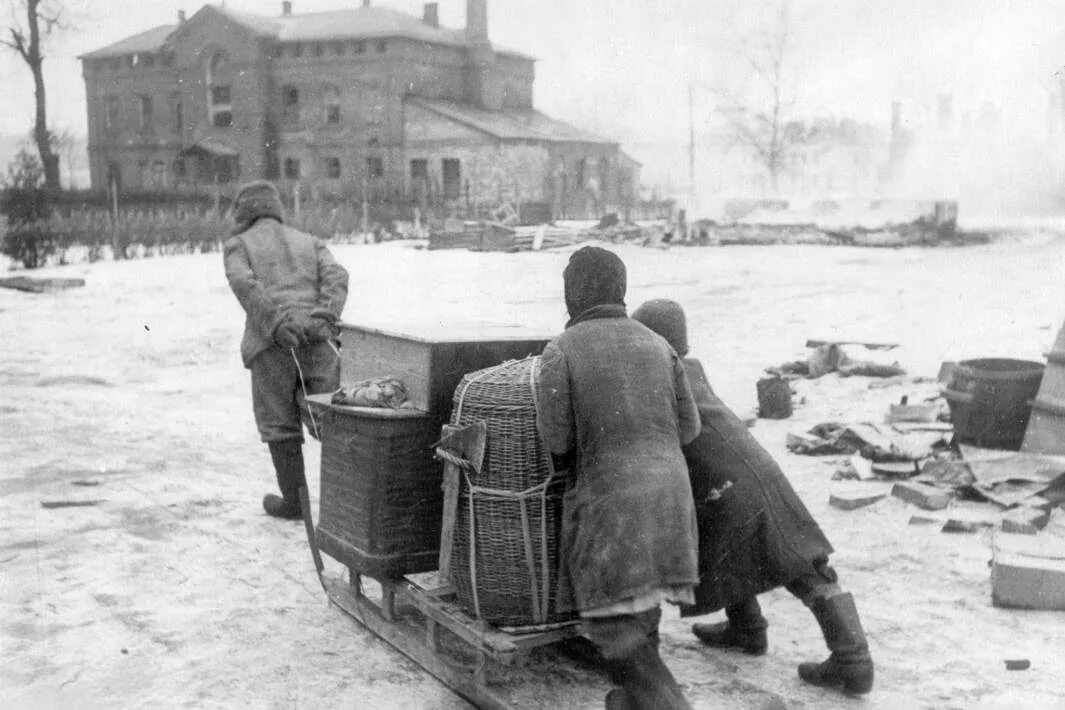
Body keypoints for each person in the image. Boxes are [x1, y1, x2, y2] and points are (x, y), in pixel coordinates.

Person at [631, 299, 875, 696]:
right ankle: (748, 630)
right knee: (761, 553)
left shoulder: (660, 377)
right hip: (755, 473)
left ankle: (852, 661)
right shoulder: (689, 368)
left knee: (790, 566)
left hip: (729, 484)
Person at [535, 247, 701, 710]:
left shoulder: (561, 350)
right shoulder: (659, 344)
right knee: (643, 607)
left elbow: (558, 440)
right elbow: (690, 429)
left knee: (610, 622)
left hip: (611, 504)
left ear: (572, 294)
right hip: (672, 500)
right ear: (622, 291)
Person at [223, 180, 349, 520]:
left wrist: (276, 324)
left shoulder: (238, 244)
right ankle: (349, 506)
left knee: (278, 423)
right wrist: (325, 315)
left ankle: (296, 503)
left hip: (271, 343)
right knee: (332, 421)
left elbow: (243, 283)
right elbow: (337, 276)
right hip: (318, 339)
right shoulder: (310, 241)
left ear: (243, 213)